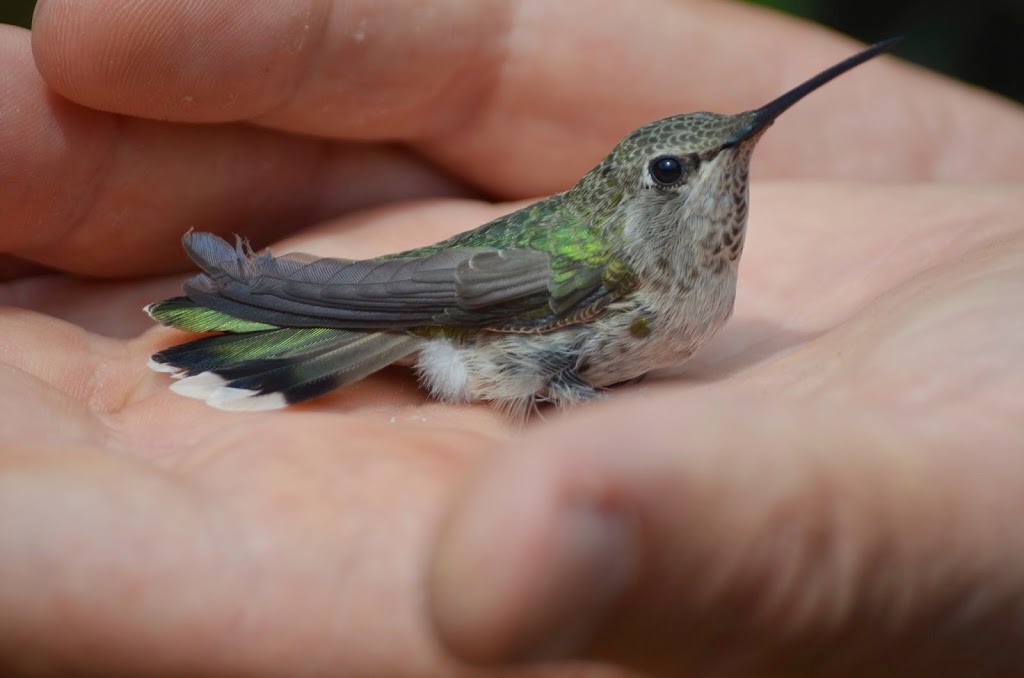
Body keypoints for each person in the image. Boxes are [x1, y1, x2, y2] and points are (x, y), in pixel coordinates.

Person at [2, 1, 1022, 675]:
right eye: (679, 169)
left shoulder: (698, 284)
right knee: (364, 318)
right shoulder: (611, 263)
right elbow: (465, 312)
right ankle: (265, 315)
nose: (719, 165)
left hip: (463, 312)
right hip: (463, 332)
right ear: (641, 198)